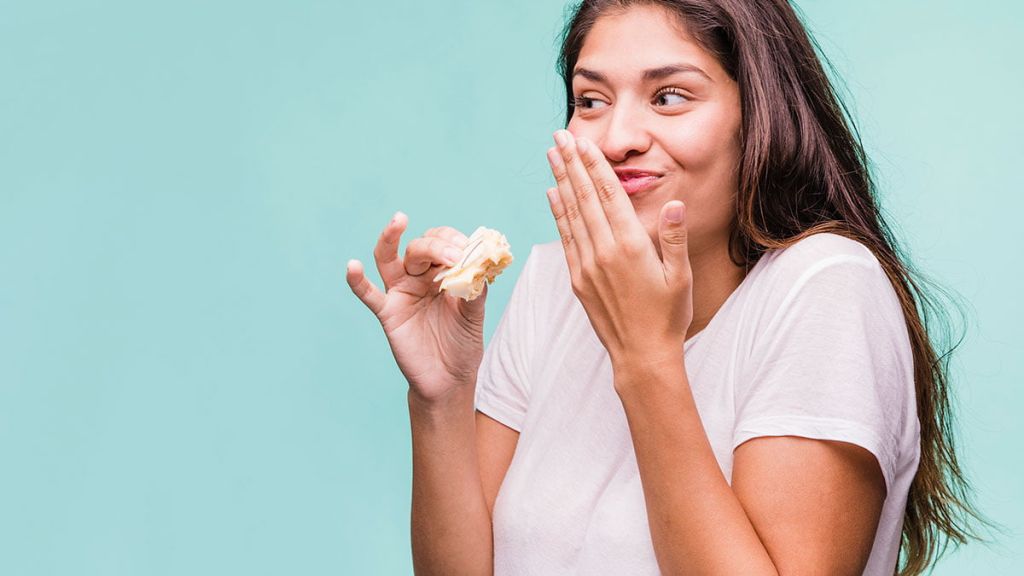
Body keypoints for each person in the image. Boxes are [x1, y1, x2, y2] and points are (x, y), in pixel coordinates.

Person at [346, 1, 991, 574]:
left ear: (758, 117)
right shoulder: (552, 284)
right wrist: (441, 396)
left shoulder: (826, 285)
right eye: (591, 101)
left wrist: (645, 359)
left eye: (670, 96)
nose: (618, 140)